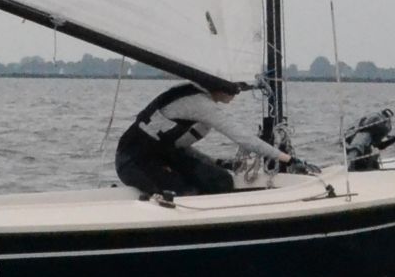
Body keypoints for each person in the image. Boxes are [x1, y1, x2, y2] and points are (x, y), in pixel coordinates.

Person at [118, 81, 279, 197]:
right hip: (132, 161)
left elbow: (178, 146)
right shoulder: (200, 104)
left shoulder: (190, 92)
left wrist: (217, 162)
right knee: (186, 193)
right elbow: (244, 138)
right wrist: (286, 158)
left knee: (221, 180)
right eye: (235, 88)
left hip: (164, 156)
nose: (237, 92)